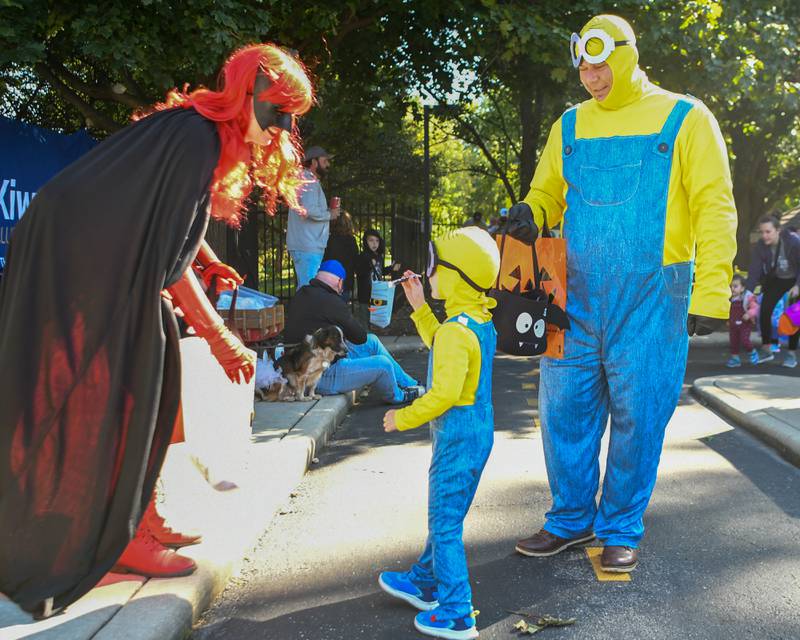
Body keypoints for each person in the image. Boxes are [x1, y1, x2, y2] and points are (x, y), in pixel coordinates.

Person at [0, 43, 313, 614]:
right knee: (130, 380)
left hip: (90, 254)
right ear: (251, 93)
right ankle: (114, 541)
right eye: (280, 113)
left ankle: (139, 516)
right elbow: (165, 264)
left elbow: (169, 227)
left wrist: (206, 259)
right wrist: (220, 335)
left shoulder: (196, 133)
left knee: (156, 369)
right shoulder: (195, 139)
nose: (284, 131)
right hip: (74, 260)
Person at [508, 15, 737, 572]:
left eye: (601, 62)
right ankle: (569, 519)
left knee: (641, 414)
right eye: (584, 65)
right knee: (562, 409)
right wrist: (529, 214)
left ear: (629, 56)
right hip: (573, 296)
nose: (592, 75)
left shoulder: (686, 117)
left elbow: (715, 208)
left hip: (654, 297)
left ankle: (620, 524)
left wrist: (710, 293)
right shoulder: (569, 125)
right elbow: (547, 194)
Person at [378, 227, 500, 640]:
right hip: (479, 434)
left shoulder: (455, 332)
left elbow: (445, 391)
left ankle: (456, 611)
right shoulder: (478, 321)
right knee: (446, 516)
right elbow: (446, 352)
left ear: (456, 275)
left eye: (433, 268)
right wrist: (419, 308)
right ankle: (425, 580)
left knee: (445, 524)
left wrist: (404, 416)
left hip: (457, 439)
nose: (427, 277)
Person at [284, 260, 422, 403]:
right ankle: (399, 395)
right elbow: (360, 337)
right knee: (383, 364)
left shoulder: (301, 294)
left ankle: (411, 384)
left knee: (372, 341)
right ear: (339, 282)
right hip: (319, 376)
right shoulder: (332, 301)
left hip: (299, 367)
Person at [744, 215, 800, 367]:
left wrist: (798, 285)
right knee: (765, 308)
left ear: (778, 231)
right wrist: (748, 291)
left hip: (794, 279)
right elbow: (754, 270)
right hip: (777, 279)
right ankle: (766, 348)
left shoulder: (793, 243)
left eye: (768, 232)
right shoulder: (761, 246)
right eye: (762, 232)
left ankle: (791, 354)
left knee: (793, 315)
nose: (764, 236)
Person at [287, 145, 340, 289]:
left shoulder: (305, 180)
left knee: (306, 288)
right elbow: (309, 210)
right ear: (314, 162)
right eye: (324, 161)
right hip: (308, 246)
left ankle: (304, 311)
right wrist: (330, 214)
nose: (327, 164)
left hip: (306, 245)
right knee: (308, 289)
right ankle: (304, 312)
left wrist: (327, 211)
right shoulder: (308, 182)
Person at [355, 228, 401, 328]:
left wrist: (391, 268)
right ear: (365, 242)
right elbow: (359, 272)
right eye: (371, 240)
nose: (374, 243)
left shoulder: (378, 256)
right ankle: (365, 340)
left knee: (374, 320)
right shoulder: (363, 256)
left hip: (376, 294)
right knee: (364, 322)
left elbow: (380, 271)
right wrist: (369, 265)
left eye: (377, 241)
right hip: (365, 295)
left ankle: (370, 338)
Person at [323, 211, 358, 300]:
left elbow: (325, 258)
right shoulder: (351, 240)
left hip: (330, 277)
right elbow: (355, 260)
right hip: (346, 278)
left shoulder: (329, 239)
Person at [727, 274, 758, 368]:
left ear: (742, 288)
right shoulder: (730, 298)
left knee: (745, 340)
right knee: (733, 341)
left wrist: (749, 314)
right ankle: (735, 358)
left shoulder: (748, 297)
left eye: (735, 286)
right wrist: (728, 319)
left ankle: (752, 352)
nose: (732, 288)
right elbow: (727, 309)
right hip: (733, 324)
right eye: (731, 286)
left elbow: (755, 307)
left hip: (745, 323)